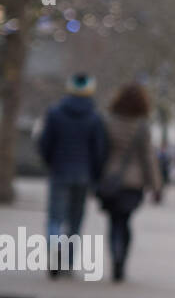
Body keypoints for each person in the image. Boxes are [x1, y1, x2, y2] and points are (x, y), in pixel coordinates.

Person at [38, 73, 109, 278]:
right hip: (83, 175)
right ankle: (68, 262)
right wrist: (95, 176)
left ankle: (53, 254)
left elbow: (45, 144)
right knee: (75, 221)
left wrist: (51, 163)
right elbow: (99, 151)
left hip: (59, 172)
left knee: (55, 218)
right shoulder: (95, 117)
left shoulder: (54, 113)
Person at [99, 83, 163, 283]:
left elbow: (101, 151)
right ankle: (121, 260)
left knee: (113, 222)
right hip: (133, 183)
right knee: (125, 221)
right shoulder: (142, 126)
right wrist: (155, 185)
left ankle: (115, 255)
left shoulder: (109, 122)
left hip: (110, 180)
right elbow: (148, 157)